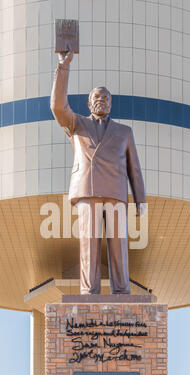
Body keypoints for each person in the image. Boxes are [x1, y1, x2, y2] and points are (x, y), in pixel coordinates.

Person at [50, 50, 146, 294]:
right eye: (96, 96)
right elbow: (58, 106)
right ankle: (88, 293)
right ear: (89, 103)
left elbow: (133, 167)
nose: (101, 99)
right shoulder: (77, 124)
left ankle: (122, 292)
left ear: (111, 103)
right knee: (89, 245)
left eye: (105, 97)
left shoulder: (124, 132)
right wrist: (63, 66)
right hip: (88, 191)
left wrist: (140, 199)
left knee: (118, 246)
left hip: (116, 193)